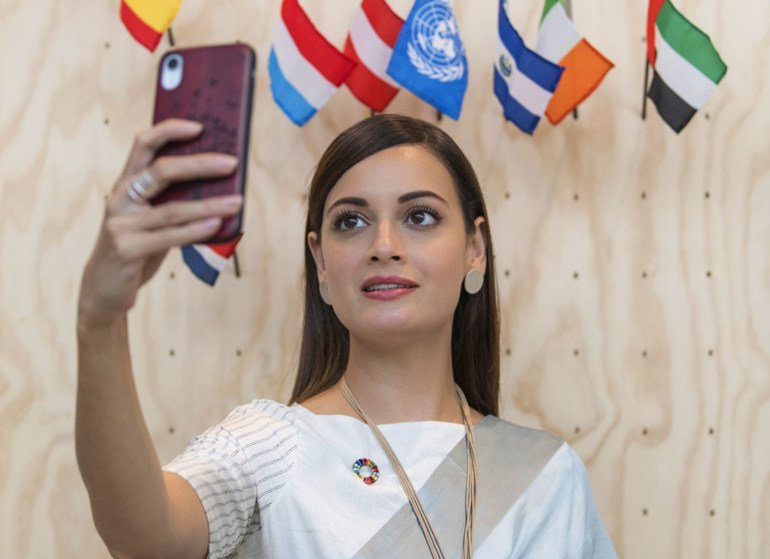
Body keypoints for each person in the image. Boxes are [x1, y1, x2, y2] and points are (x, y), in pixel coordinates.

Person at [76, 114, 618, 559]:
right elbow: (146, 537)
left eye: (421, 216)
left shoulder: (548, 476)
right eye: (351, 222)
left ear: (475, 249)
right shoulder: (272, 445)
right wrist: (100, 321)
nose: (384, 244)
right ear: (322, 265)